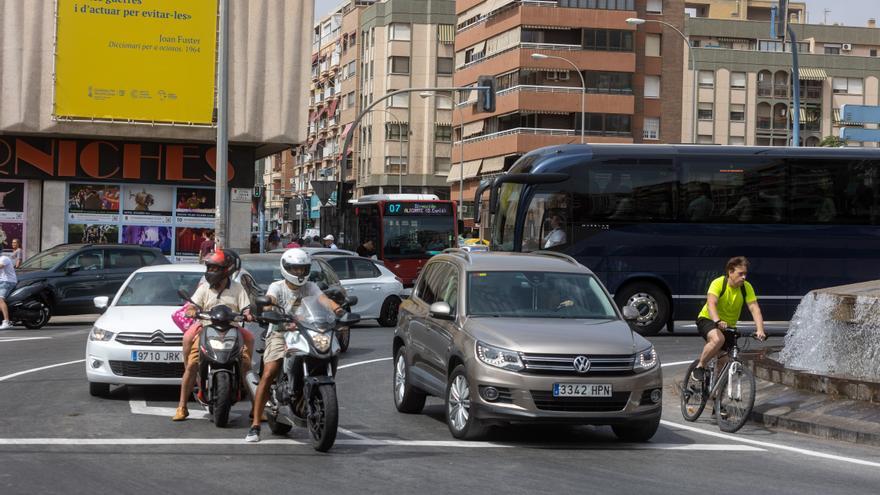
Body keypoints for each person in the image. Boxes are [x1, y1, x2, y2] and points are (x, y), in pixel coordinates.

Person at [247, 248, 344, 442]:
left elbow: (323, 300)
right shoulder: (277, 287)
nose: (299, 273)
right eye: (295, 269)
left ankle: (309, 394)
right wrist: (271, 310)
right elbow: (269, 302)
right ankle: (256, 424)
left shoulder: (310, 287)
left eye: (302, 269)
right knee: (270, 371)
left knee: (327, 352)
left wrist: (338, 310)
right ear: (286, 268)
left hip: (306, 331)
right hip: (280, 332)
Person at [173, 248, 254, 421]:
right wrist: (192, 310)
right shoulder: (204, 288)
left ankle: (257, 407)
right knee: (192, 362)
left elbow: (246, 307)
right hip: (206, 328)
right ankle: (182, 406)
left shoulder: (238, 289)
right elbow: (193, 305)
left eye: (215, 269)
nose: (211, 272)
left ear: (226, 270)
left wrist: (248, 313)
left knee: (247, 359)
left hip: (232, 328)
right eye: (209, 268)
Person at [691, 256, 767, 384]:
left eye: (745, 274)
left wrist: (760, 330)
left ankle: (716, 395)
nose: (744, 277)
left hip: (728, 326)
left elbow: (754, 309)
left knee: (724, 361)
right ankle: (700, 366)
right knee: (718, 339)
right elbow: (711, 304)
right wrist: (717, 321)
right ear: (730, 272)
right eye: (740, 274)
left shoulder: (746, 287)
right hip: (708, 319)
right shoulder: (719, 283)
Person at [0, 252, 17, 329]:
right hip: (2, 281)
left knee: (0, 299)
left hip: (8, 282)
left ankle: (6, 321)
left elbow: (0, 266)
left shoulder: (4, 258)